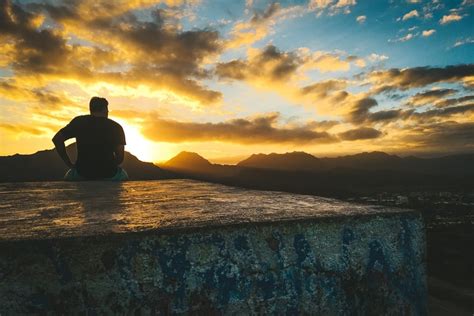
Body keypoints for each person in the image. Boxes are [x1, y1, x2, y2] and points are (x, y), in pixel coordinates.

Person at [52, 97, 129, 181]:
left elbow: (57, 139)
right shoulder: (116, 127)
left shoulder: (79, 122)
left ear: (91, 109)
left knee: (69, 174)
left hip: (82, 174)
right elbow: (120, 158)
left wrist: (69, 163)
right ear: (105, 109)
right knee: (123, 175)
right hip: (109, 174)